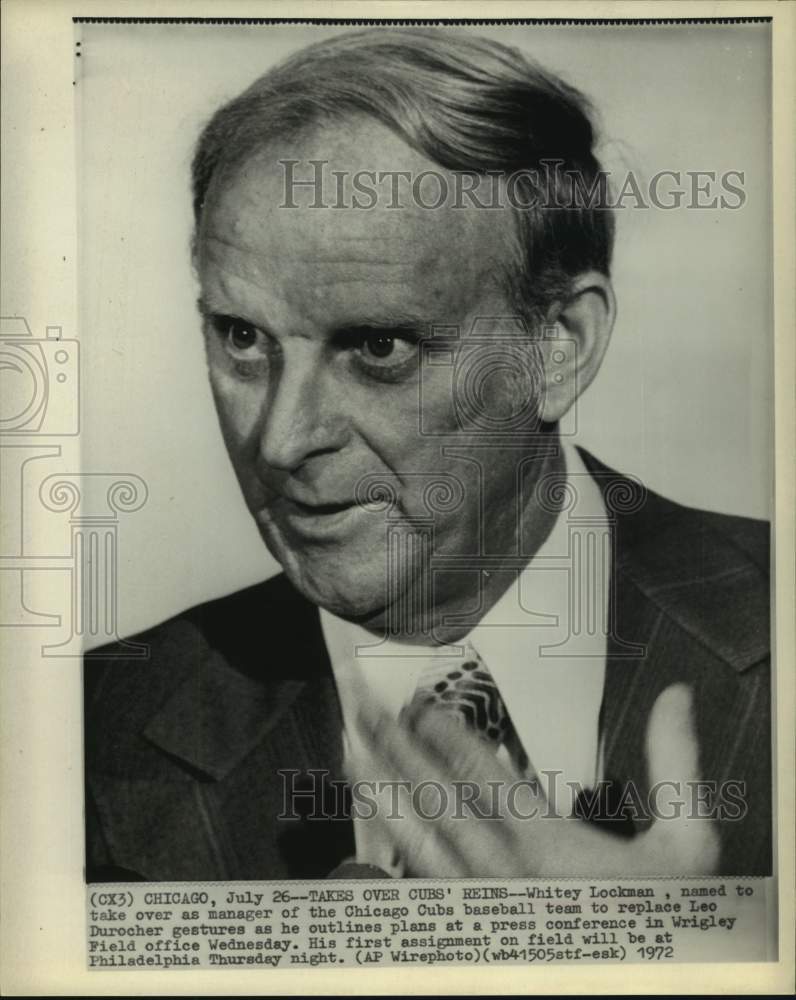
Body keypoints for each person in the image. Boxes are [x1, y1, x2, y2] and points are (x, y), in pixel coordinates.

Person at [84, 28, 771, 882]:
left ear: (557, 347)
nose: (282, 440)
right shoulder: (75, 736)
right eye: (241, 338)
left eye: (378, 348)